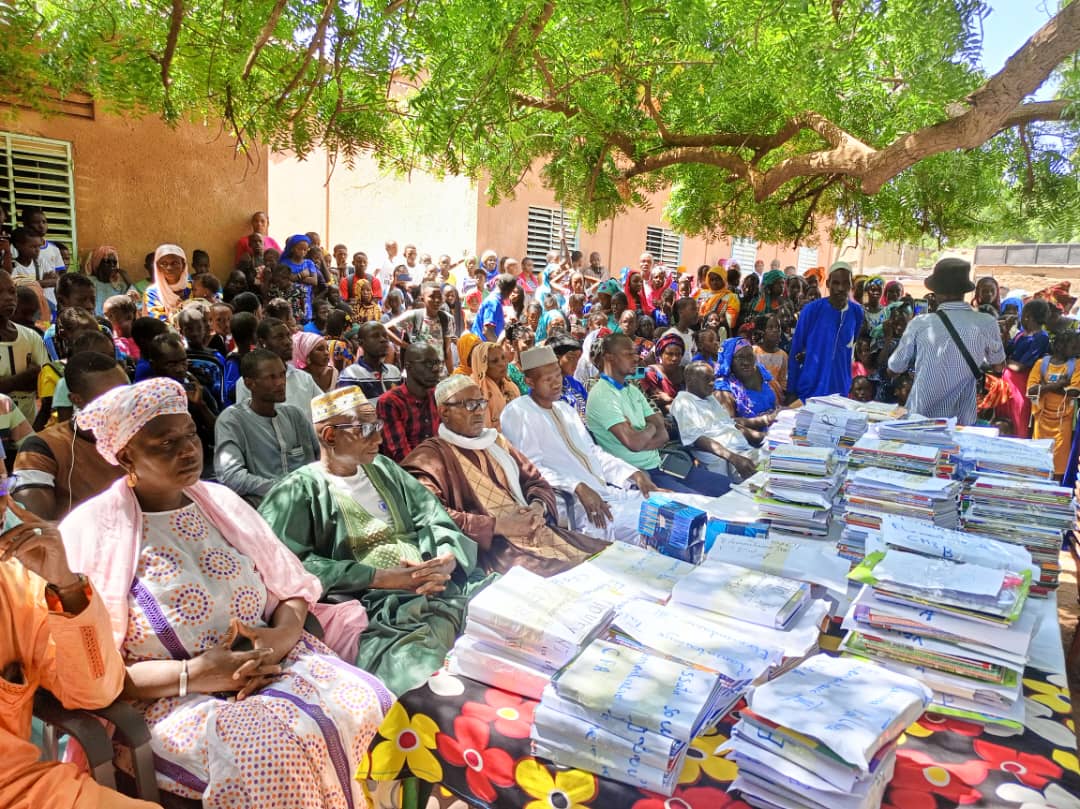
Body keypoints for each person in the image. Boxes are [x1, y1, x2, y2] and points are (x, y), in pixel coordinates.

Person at [61, 378, 387, 806]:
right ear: (126, 456)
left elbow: (290, 589)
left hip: (273, 665)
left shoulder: (220, 502)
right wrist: (195, 673)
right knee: (270, 757)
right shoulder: (90, 533)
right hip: (171, 700)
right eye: (165, 444)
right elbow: (91, 673)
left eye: (190, 435)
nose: (188, 450)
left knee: (369, 701)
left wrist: (281, 637)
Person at [258, 385, 487, 696]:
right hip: (380, 607)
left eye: (377, 426)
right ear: (329, 435)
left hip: (440, 584)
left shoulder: (384, 468)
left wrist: (446, 558)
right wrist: (380, 578)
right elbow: (287, 567)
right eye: (365, 429)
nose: (378, 438)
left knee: (506, 623)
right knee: (423, 681)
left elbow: (432, 517)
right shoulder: (299, 491)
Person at [0, 485, 159, 809]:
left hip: (21, 788)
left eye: (3, 487)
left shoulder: (17, 585)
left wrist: (68, 586)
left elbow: (97, 691)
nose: (3, 505)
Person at [403, 375, 608, 574]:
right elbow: (432, 516)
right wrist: (499, 526)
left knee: (608, 560)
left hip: (536, 529)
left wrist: (537, 508)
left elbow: (536, 481)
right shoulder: (430, 458)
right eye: (469, 405)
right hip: (494, 549)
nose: (479, 412)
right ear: (444, 412)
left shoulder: (496, 442)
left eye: (481, 403)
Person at [501, 346, 659, 542]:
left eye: (558, 376)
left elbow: (592, 453)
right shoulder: (518, 412)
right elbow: (531, 468)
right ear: (529, 382)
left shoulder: (565, 409)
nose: (556, 383)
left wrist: (632, 474)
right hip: (569, 502)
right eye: (547, 379)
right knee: (651, 527)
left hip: (603, 492)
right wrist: (577, 487)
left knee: (665, 506)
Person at [586, 333, 731, 496]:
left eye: (635, 353)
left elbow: (663, 434)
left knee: (727, 487)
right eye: (628, 354)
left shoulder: (632, 390)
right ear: (609, 358)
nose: (635, 358)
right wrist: (650, 428)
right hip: (640, 475)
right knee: (699, 503)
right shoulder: (602, 395)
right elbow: (634, 443)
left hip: (661, 463)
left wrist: (644, 435)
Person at [887, 258, 1006, 424]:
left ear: (937, 292)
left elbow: (894, 368)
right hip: (960, 419)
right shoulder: (987, 322)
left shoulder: (920, 323)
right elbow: (999, 366)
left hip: (920, 417)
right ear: (964, 291)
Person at [12, 351, 127, 520]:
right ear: (76, 400)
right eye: (109, 399)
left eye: (126, 393)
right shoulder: (42, 447)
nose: (123, 404)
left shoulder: (144, 436)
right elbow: (35, 525)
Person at [214, 350, 320, 506]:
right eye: (271, 377)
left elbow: (319, 456)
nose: (280, 382)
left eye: (282, 375)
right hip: (265, 510)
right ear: (249, 383)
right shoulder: (232, 420)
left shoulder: (294, 415)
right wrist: (283, 488)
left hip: (308, 504)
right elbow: (231, 475)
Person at [671, 361, 762, 482]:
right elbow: (697, 439)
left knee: (780, 461)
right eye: (706, 379)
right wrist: (734, 458)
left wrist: (765, 437)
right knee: (775, 474)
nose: (712, 383)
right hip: (727, 460)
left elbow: (730, 425)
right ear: (690, 380)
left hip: (743, 450)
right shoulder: (683, 402)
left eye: (713, 379)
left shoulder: (709, 397)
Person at [787, 262, 864, 401]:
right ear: (828, 284)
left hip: (840, 386)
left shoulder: (857, 312)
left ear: (851, 285)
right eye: (836, 283)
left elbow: (853, 342)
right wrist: (791, 390)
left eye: (845, 283)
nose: (840, 288)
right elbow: (795, 350)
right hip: (811, 386)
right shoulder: (812, 310)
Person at [147, 332, 219, 475]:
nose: (180, 369)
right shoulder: (147, 399)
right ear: (154, 365)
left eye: (183, 362)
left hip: (204, 464)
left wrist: (201, 406)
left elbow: (218, 433)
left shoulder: (196, 388)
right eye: (172, 364)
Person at [236, 317, 320, 418]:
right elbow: (245, 418)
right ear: (263, 343)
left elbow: (323, 406)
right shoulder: (249, 382)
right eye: (279, 337)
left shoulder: (304, 378)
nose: (288, 342)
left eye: (288, 336)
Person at [376, 343, 442, 462]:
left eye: (437, 363)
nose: (436, 369)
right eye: (428, 363)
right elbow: (400, 455)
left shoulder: (438, 395)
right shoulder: (390, 402)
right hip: (408, 474)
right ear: (408, 366)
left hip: (438, 466)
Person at [1028, 331, 1080, 476]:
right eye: (1074, 346)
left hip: (1063, 420)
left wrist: (1045, 387)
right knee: (1039, 458)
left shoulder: (1077, 365)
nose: (1078, 349)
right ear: (1058, 346)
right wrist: (1060, 384)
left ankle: (1056, 491)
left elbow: (1074, 392)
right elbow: (1031, 390)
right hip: (1041, 417)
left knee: (1059, 463)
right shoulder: (1041, 363)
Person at [997, 298, 1050, 438]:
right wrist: (1006, 332)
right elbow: (1005, 350)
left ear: (1029, 316)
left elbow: (1021, 366)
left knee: (1018, 416)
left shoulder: (1041, 337)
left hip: (1020, 383)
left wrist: (1003, 363)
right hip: (1007, 384)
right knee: (1004, 419)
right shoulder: (1021, 334)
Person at [0, 270, 48, 424]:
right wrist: (19, 380)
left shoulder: (30, 337)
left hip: (28, 427)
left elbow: (44, 383)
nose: (8, 298)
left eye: (12, 291)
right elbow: (31, 379)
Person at [716, 337, 780, 419]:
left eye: (750, 356)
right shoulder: (724, 389)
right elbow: (728, 425)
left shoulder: (761, 373)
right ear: (730, 361)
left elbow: (777, 404)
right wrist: (762, 424)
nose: (746, 362)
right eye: (740, 357)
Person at [339, 321, 402, 400]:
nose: (383, 339)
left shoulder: (394, 372)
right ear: (361, 343)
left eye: (385, 336)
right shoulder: (351, 375)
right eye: (375, 336)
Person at [468, 340, 519, 428]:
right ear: (482, 366)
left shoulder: (511, 386)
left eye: (503, 358)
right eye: (495, 361)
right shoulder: (475, 392)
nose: (502, 364)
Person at [639, 332, 686, 416]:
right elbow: (658, 404)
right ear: (660, 354)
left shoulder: (685, 372)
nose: (674, 358)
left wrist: (669, 399)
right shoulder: (650, 373)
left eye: (678, 354)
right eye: (670, 354)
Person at [143, 244, 191, 322]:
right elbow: (159, 321)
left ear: (184, 265)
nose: (169, 268)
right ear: (158, 267)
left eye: (174, 263)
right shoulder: (153, 292)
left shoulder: (194, 287)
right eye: (164, 264)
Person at [471, 273, 517, 341]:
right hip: (483, 346)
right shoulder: (493, 302)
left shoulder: (495, 300)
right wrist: (499, 348)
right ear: (509, 290)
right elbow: (487, 331)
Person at [664, 296, 700, 365]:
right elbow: (650, 358)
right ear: (681, 312)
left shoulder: (691, 334)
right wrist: (639, 375)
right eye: (693, 309)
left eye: (697, 309)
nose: (697, 313)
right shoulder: (671, 335)